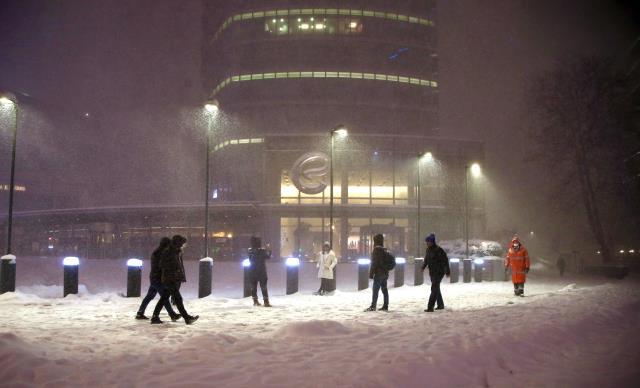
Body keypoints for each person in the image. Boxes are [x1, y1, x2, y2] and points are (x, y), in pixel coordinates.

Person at [150, 235, 199, 324]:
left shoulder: (177, 252)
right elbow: (162, 265)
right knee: (178, 299)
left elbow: (179, 267)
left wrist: (180, 277)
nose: (184, 245)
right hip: (170, 279)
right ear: (178, 243)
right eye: (182, 243)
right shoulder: (169, 252)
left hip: (174, 279)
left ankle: (154, 317)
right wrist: (174, 272)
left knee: (164, 298)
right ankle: (186, 318)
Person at [135, 237, 181, 321]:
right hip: (158, 278)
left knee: (150, 296)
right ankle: (171, 314)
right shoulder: (162, 253)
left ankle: (140, 312)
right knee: (164, 297)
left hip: (154, 277)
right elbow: (162, 266)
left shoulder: (156, 252)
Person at [422, 233, 450, 312]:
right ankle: (440, 305)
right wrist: (423, 267)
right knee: (436, 288)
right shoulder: (428, 250)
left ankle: (430, 307)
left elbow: (445, 261)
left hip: (439, 272)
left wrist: (447, 271)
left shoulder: (438, 250)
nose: (427, 243)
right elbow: (426, 259)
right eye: (426, 242)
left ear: (432, 242)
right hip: (432, 272)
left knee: (434, 288)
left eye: (428, 242)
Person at [365, 234, 391, 312]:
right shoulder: (384, 249)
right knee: (384, 290)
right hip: (385, 273)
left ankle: (373, 306)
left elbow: (374, 263)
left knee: (375, 290)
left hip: (378, 273)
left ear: (375, 241)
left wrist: (371, 273)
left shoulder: (376, 250)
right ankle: (385, 305)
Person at [248, 236, 272, 307]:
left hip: (252, 271)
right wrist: (269, 250)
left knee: (253, 287)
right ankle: (266, 302)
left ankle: (255, 301)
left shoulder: (250, 251)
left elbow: (250, 259)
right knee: (263, 287)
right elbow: (268, 257)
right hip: (261, 272)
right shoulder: (262, 251)